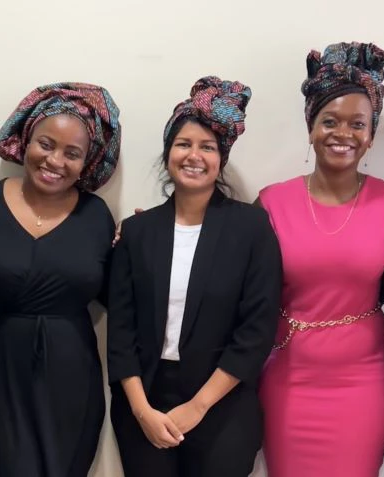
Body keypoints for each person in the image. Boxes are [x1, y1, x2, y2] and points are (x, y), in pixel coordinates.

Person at [107, 76, 282, 477]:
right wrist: (141, 410)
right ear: (168, 152)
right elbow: (121, 332)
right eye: (183, 144)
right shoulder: (137, 232)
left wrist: (198, 406)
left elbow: (256, 330)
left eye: (207, 147)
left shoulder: (251, 228)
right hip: (144, 398)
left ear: (221, 158)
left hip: (224, 400)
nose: (194, 155)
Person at [257, 42, 384, 477]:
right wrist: (162, 230)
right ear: (310, 128)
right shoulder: (272, 202)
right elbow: (227, 262)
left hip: (362, 383)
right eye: (330, 121)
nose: (343, 133)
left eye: (357, 124)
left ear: (371, 135)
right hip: (289, 379)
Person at [0, 82, 119, 477]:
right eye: (46, 144)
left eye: (72, 153)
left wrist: (141, 247)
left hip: (72, 385)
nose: (55, 161)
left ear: (88, 161)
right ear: (25, 138)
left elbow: (116, 298)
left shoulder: (97, 216)